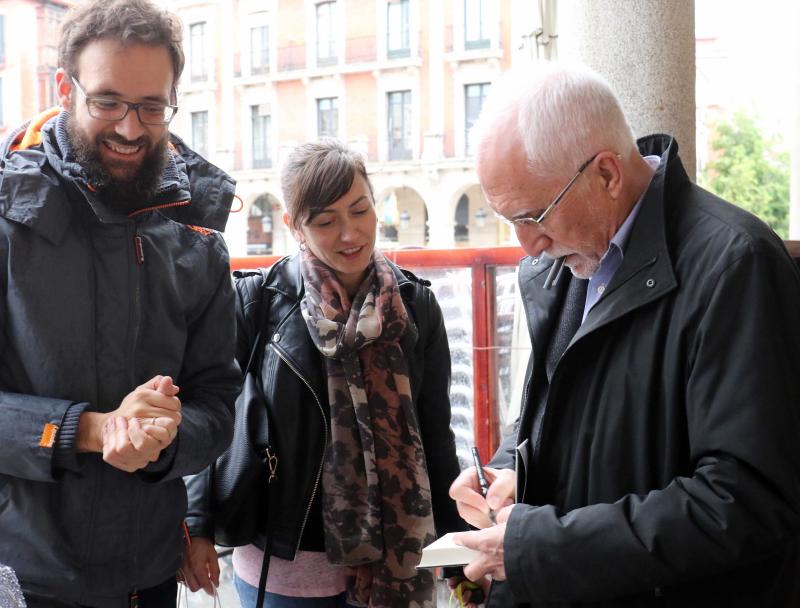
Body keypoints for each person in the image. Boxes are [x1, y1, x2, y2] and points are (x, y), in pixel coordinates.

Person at [448, 62, 800, 607]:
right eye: (508, 220)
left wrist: (536, 546)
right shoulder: (566, 261)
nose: (526, 245)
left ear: (608, 175)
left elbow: (744, 500)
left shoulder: (737, 265)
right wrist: (509, 469)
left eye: (533, 215)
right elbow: (568, 409)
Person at [0, 1, 240, 606]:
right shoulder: (6, 221)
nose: (130, 129)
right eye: (107, 100)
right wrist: (88, 431)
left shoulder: (199, 234)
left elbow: (217, 400)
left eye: (152, 107)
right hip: (24, 576)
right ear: (65, 89)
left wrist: (166, 437)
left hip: (149, 575)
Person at [182, 139, 468, 607]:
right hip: (288, 564)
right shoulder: (259, 301)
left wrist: (459, 548)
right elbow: (209, 415)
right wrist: (196, 525)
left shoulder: (415, 306)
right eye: (326, 220)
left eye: (360, 210)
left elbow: (435, 434)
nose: (350, 233)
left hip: (396, 559)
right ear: (295, 226)